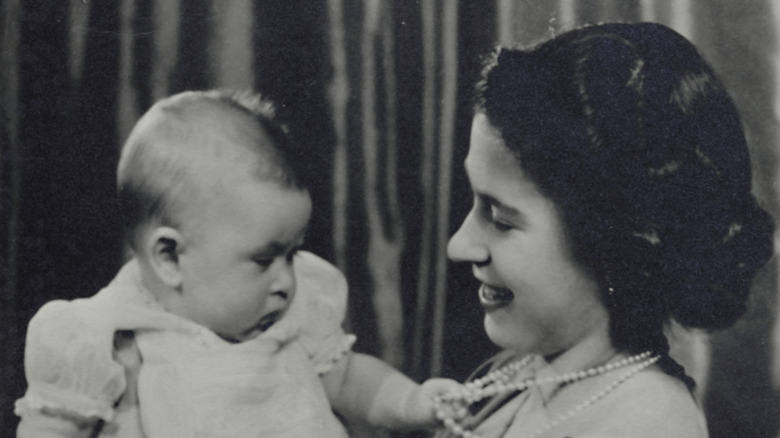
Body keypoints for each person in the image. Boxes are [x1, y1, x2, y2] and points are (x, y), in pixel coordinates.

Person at [15, 89, 459, 438]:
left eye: (292, 254)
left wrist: (412, 401)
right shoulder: (105, 337)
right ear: (170, 258)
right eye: (264, 260)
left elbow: (347, 381)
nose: (286, 280)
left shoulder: (295, 313)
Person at [434, 22, 775, 438]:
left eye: (502, 220)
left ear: (615, 247)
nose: (459, 246)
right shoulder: (524, 367)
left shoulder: (644, 425)